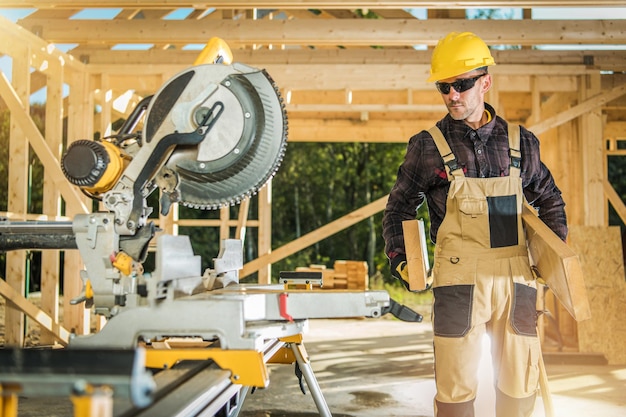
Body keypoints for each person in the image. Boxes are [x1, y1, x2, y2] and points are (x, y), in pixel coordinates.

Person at [382, 31, 568, 417]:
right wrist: (404, 262)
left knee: (519, 386)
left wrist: (552, 262)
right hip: (458, 281)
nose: (452, 94)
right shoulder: (428, 144)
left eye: (462, 84)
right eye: (444, 86)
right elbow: (399, 208)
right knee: (455, 392)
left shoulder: (521, 143)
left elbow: (549, 199)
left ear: (486, 81)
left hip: (516, 279)